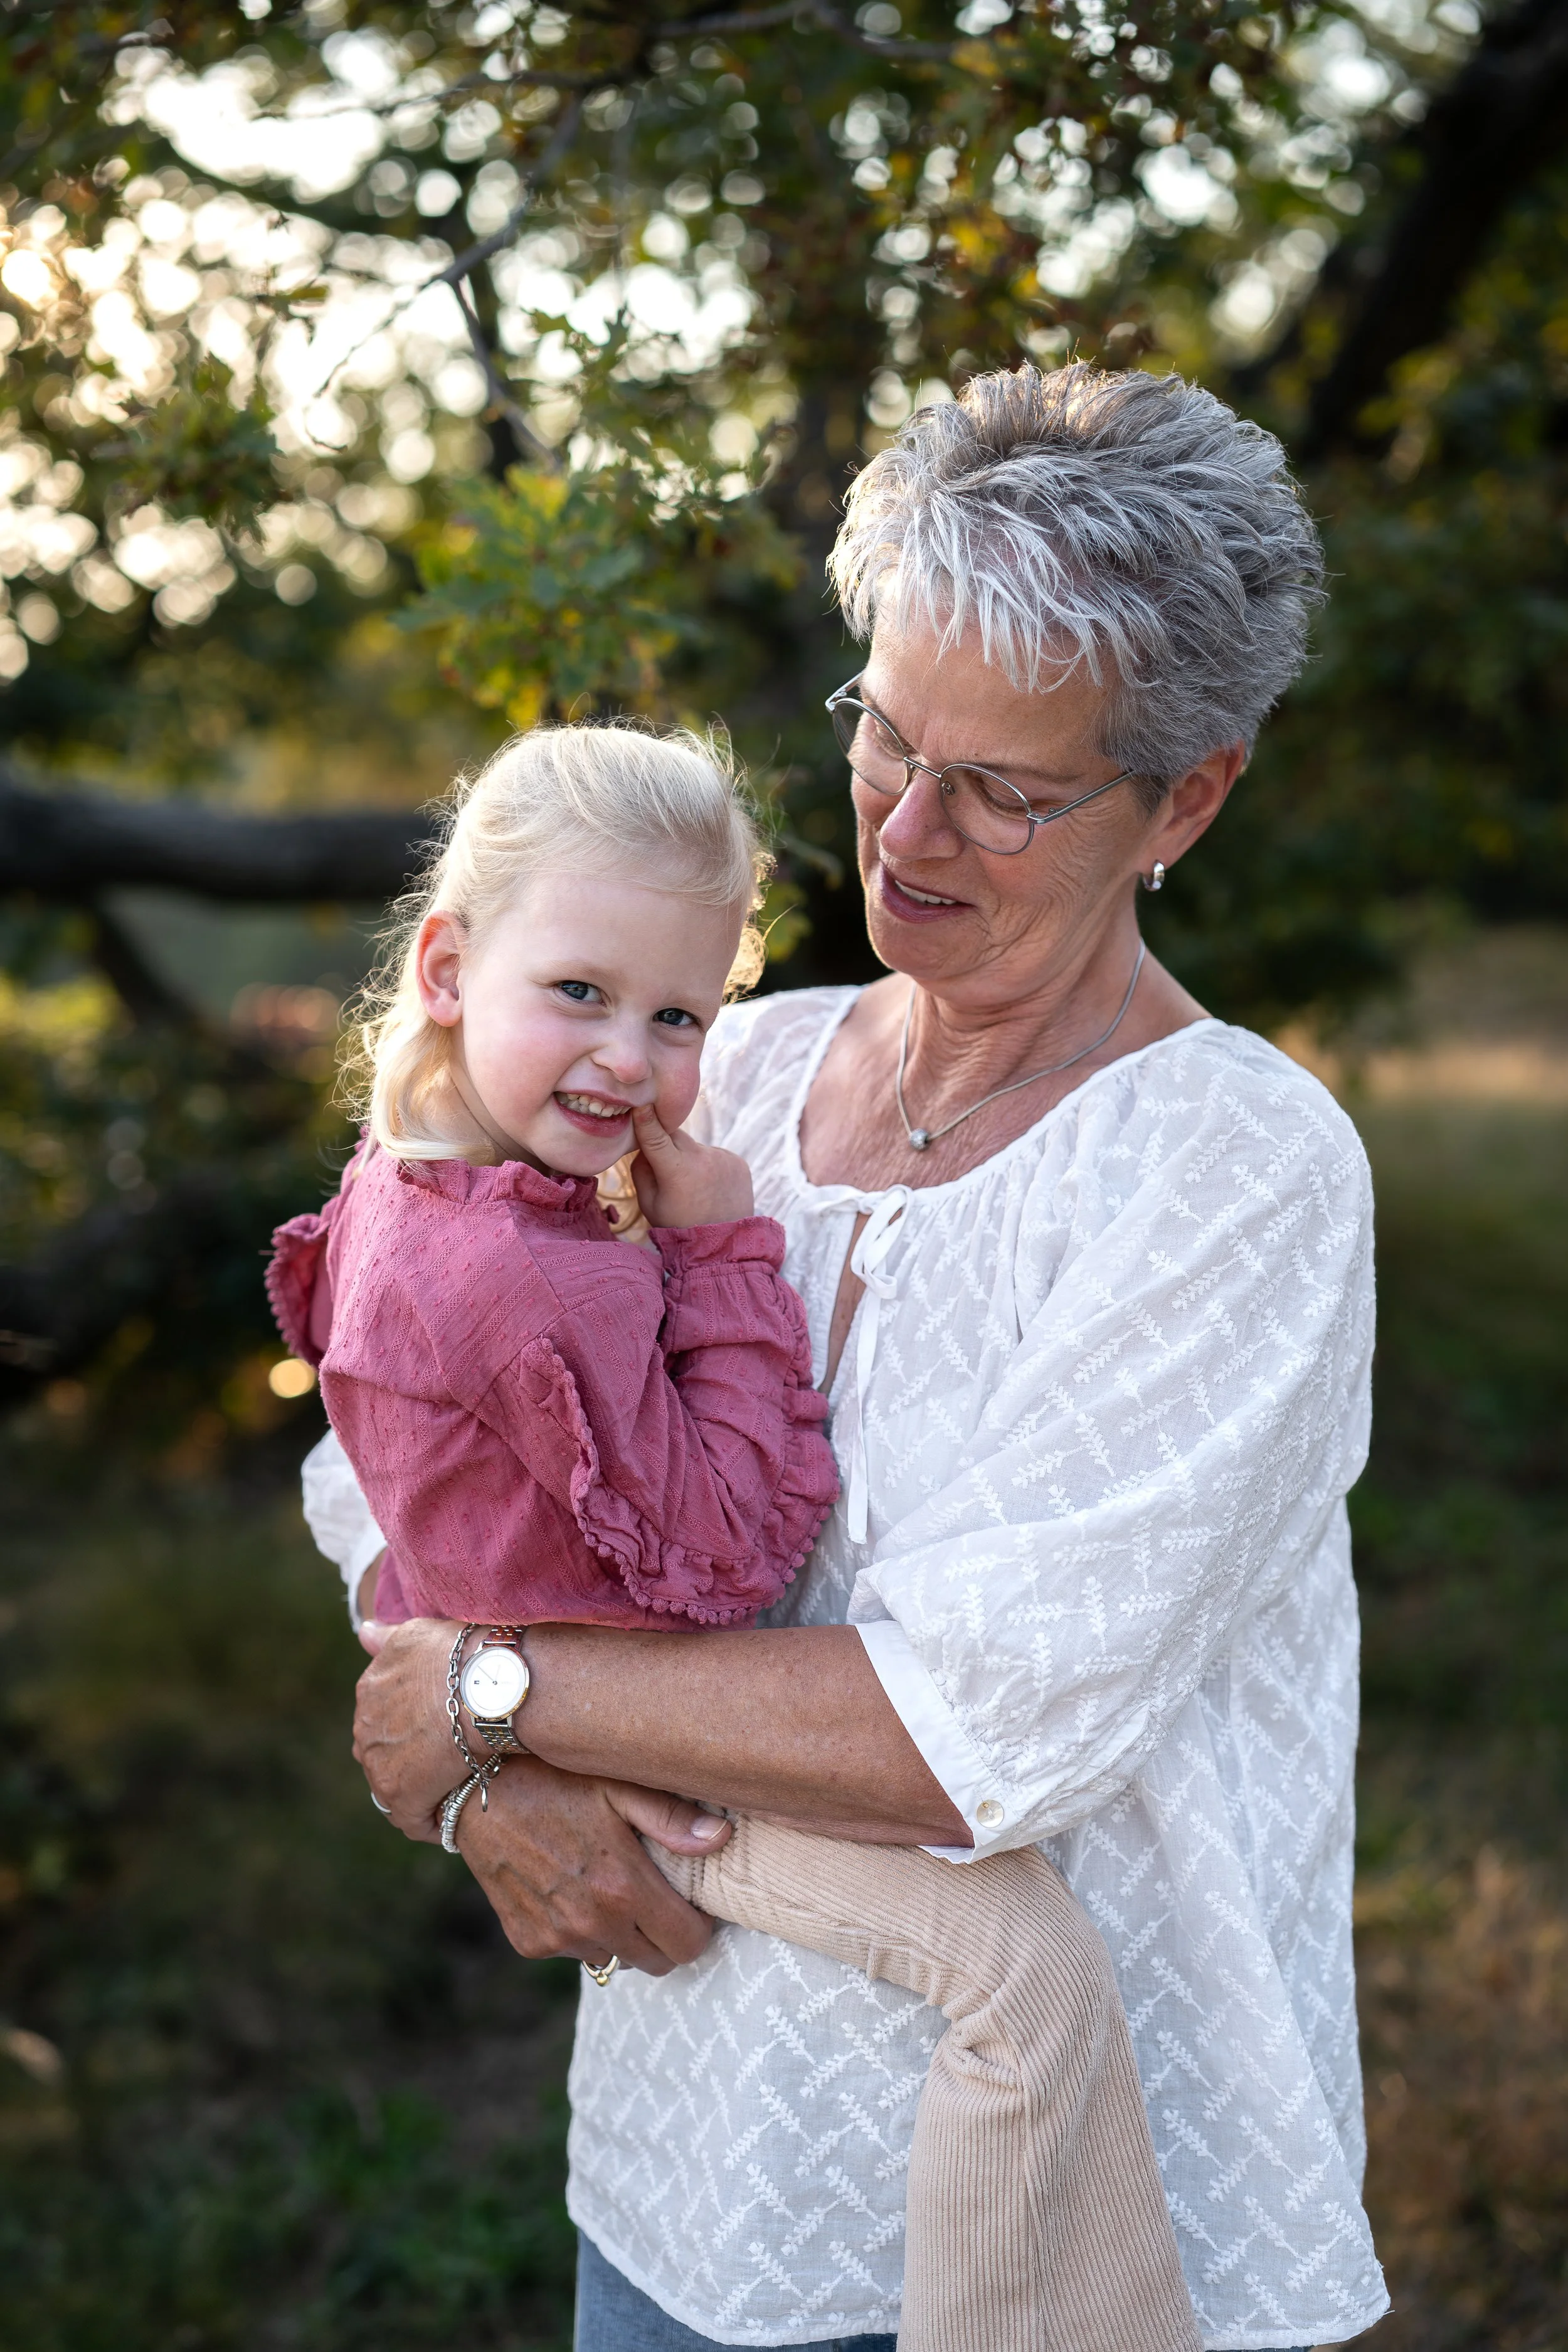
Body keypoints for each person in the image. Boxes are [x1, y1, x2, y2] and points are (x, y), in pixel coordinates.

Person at [314, 359, 1388, 2352]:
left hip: (1079, 2211)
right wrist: (488, 1792)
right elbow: (396, 1422)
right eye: (886, 733)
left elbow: (970, 1725)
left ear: (1187, 796)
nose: (905, 827)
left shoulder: (1234, 1168)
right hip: (686, 2164)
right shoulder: (718, 1063)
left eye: (1005, 788)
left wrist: (482, 1696)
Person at [271, 722, 1200, 2352]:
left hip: (586, 1717)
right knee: (1021, 1961)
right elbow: (723, 1562)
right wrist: (716, 1257)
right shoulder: (534, 1270)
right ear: (446, 967)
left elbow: (381, 1445)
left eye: (676, 1016)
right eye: (579, 992)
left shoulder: (409, 1186)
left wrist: (474, 1682)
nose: (629, 1060)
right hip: (682, 1759)